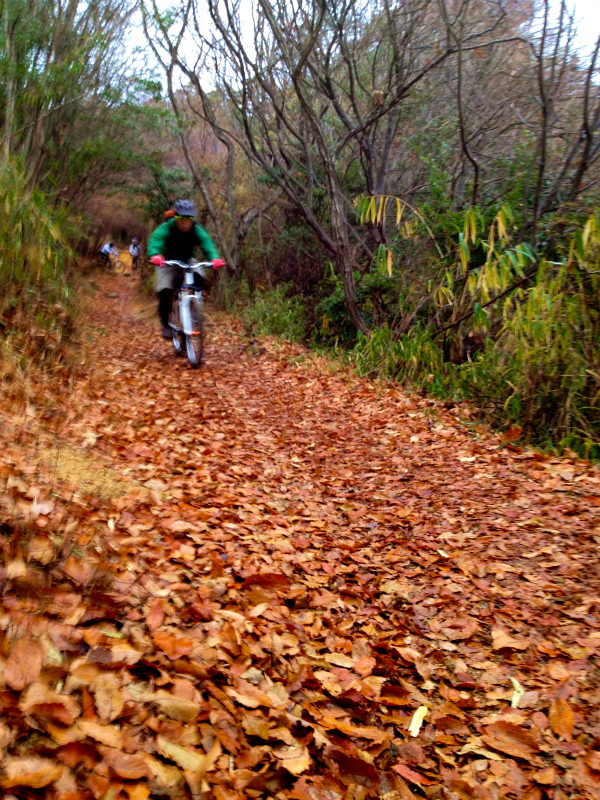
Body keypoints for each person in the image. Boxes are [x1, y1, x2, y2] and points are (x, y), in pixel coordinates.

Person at [147, 199, 225, 338]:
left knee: (199, 276)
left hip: (187, 259)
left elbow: (207, 244)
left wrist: (215, 258)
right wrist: (155, 255)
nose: (185, 222)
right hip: (167, 260)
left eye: (188, 218)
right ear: (175, 217)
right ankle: (165, 324)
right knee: (164, 290)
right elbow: (155, 241)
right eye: (181, 218)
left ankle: (195, 309)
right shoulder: (167, 228)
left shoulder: (196, 230)